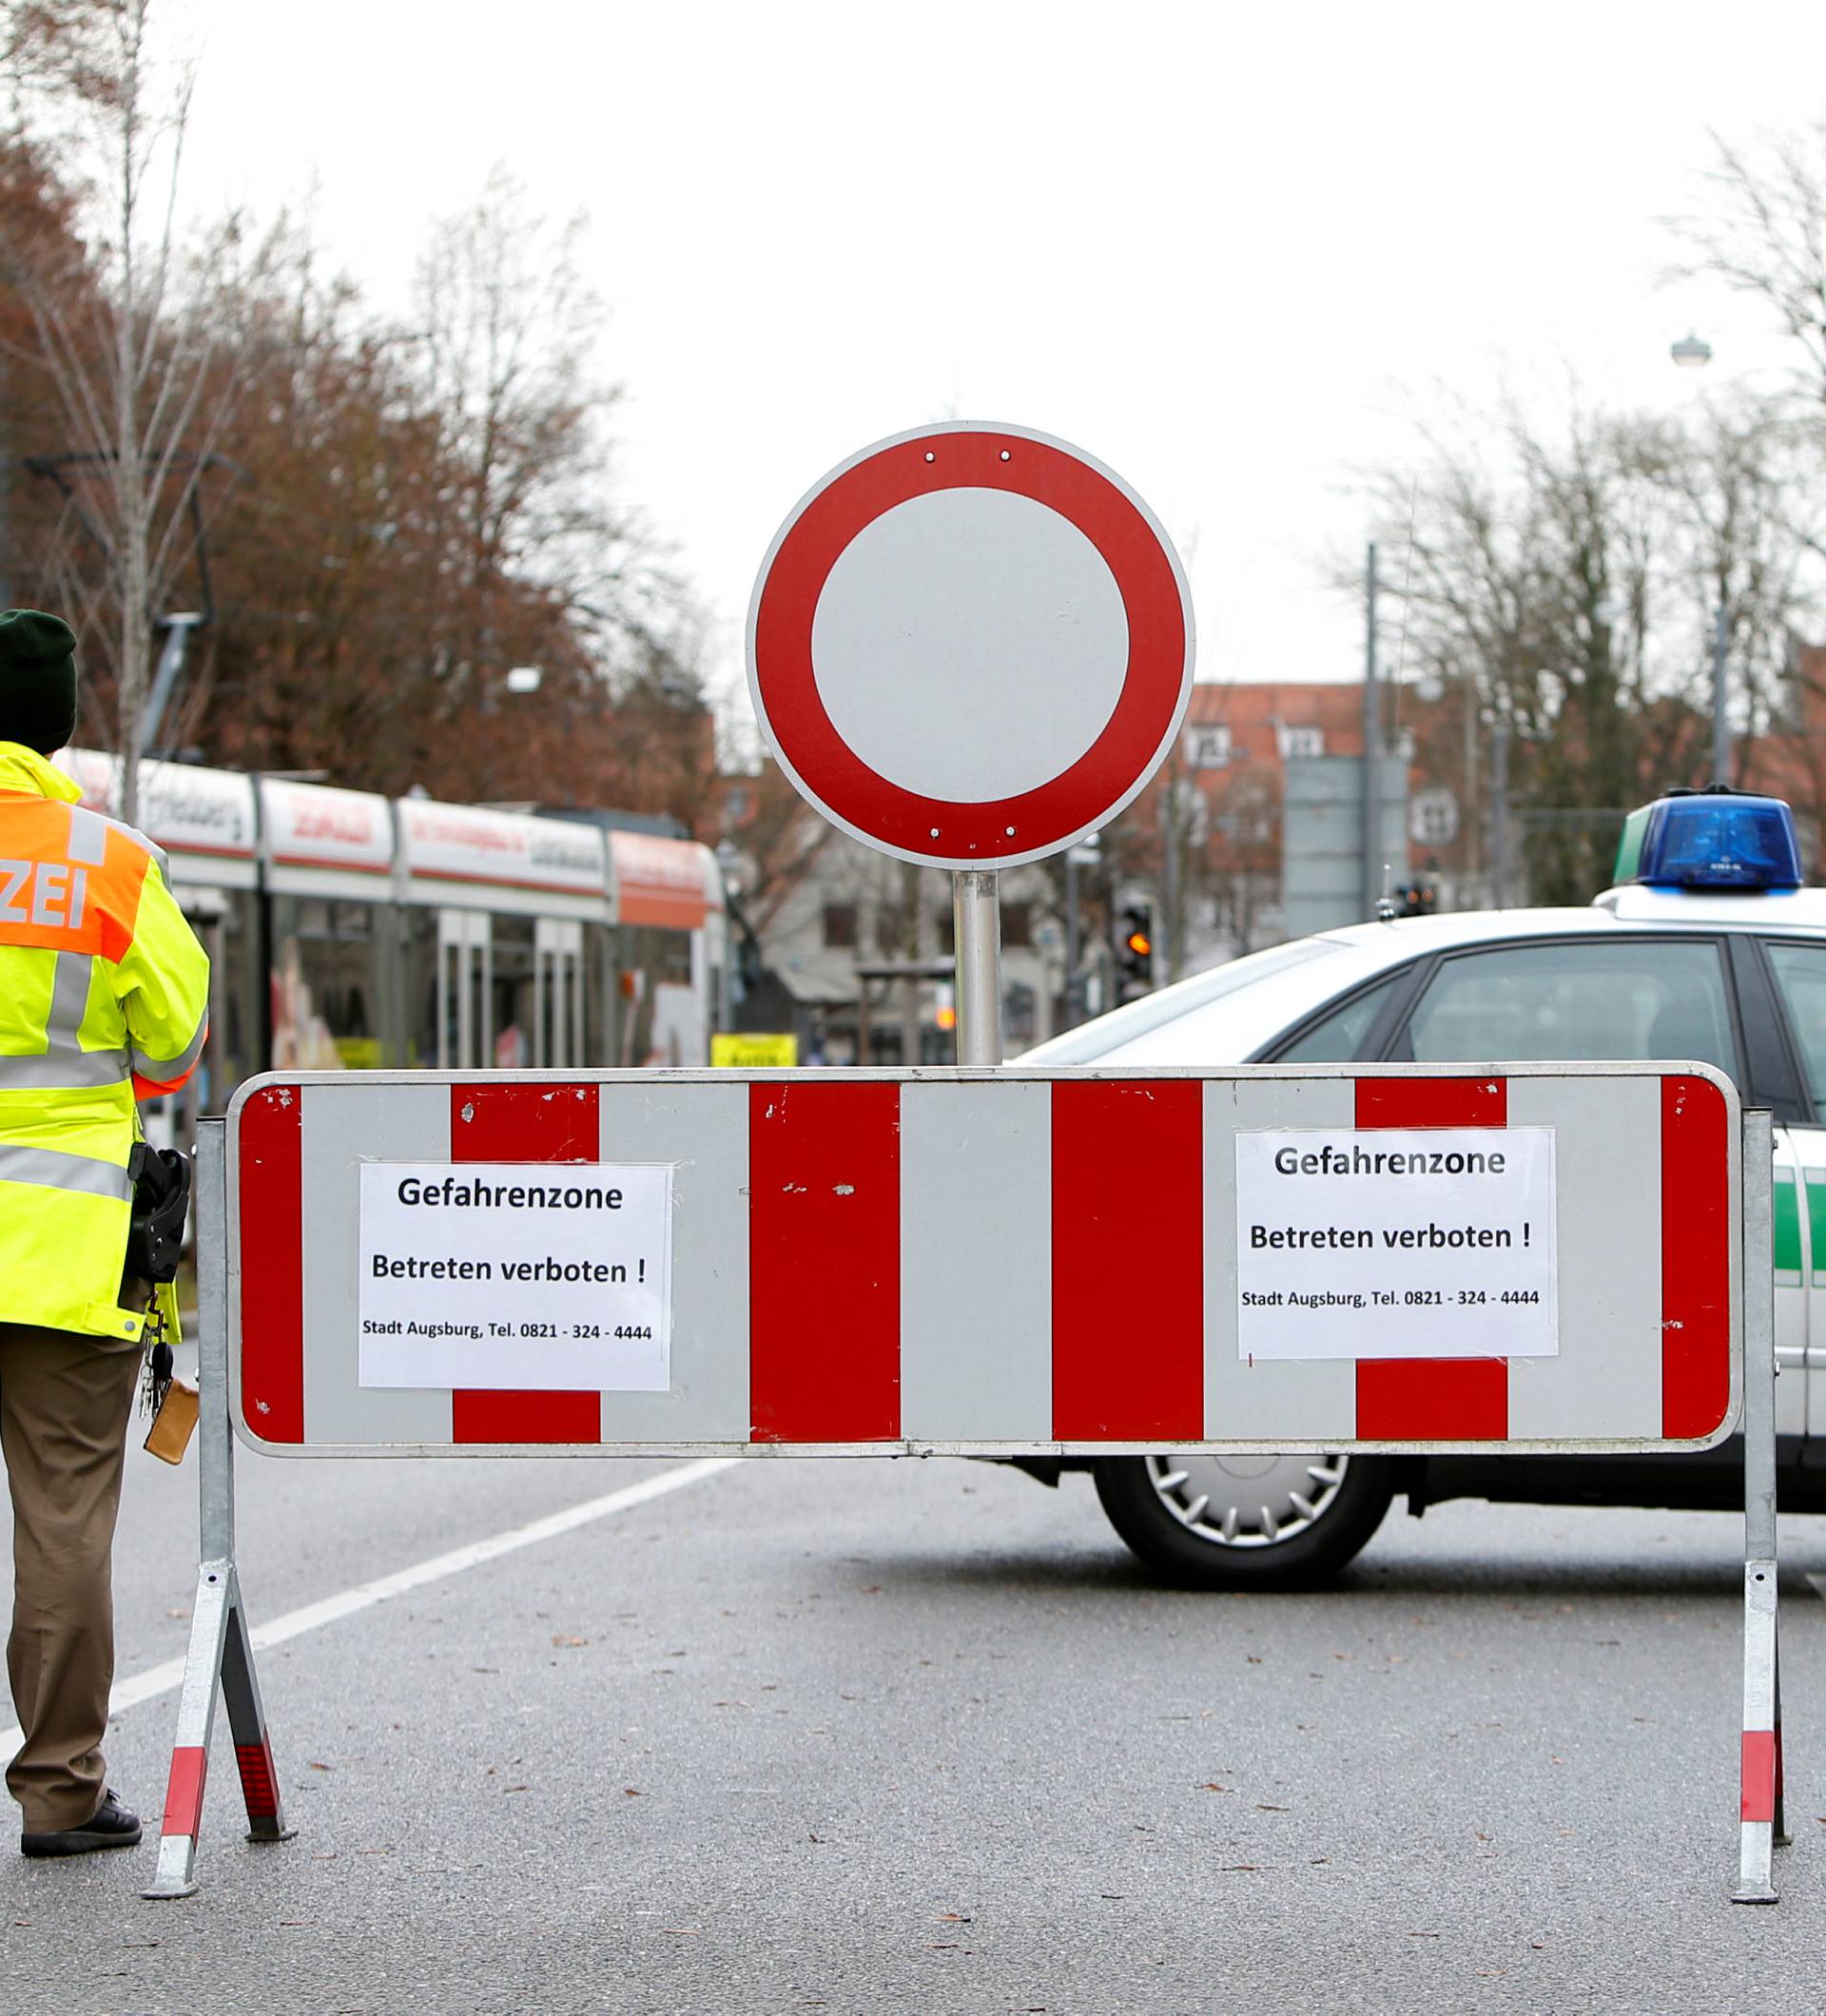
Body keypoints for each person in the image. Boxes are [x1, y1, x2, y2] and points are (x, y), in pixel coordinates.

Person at [0, 610, 210, 1858]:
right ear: (62, 716)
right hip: (68, 1252)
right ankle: (60, 1792)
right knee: (62, 1524)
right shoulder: (106, 864)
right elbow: (178, 1046)